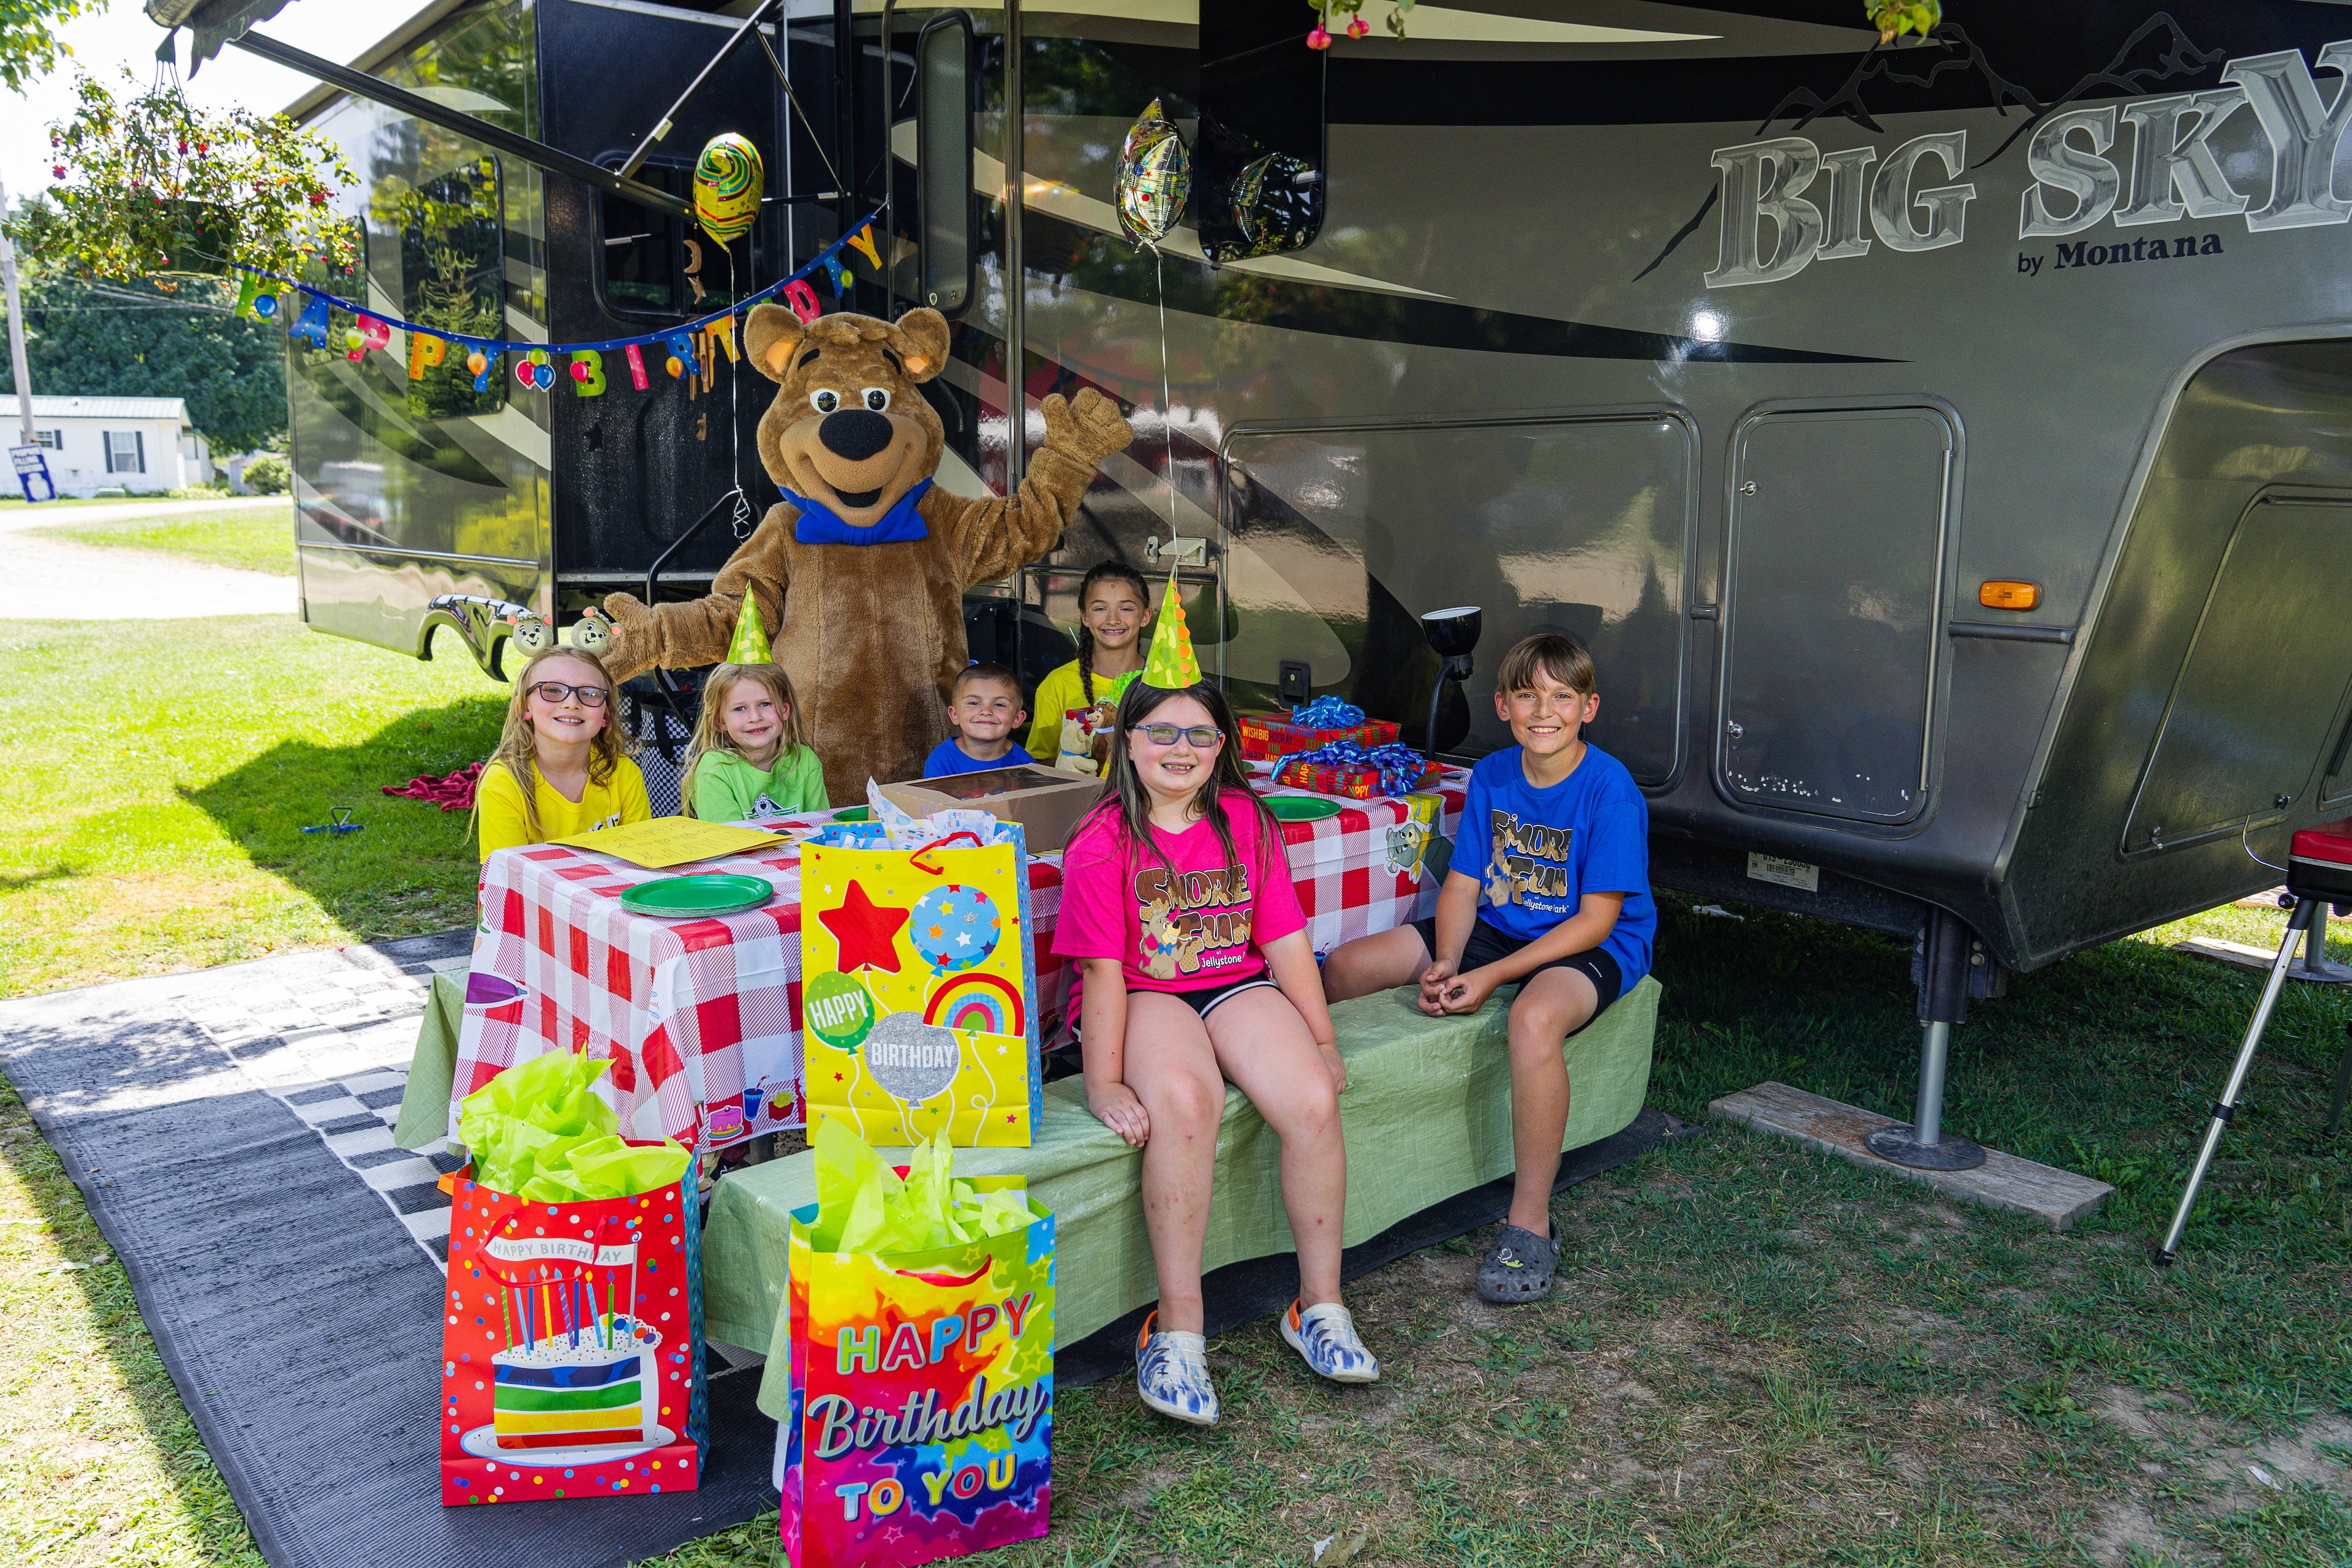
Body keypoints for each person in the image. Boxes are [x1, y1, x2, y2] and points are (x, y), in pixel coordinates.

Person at [1054, 674, 1379, 1427]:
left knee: (1309, 1097)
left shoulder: (1245, 817)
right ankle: (1176, 1328)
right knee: (1185, 1102)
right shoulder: (1102, 841)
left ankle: (1319, 1306)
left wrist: (1323, 1039)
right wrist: (1102, 1083)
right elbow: (1102, 972)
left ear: (1222, 746)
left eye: (1200, 734)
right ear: (1126, 741)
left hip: (1232, 980)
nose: (1181, 748)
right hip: (1142, 992)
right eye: (1162, 731)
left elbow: (1285, 940)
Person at [1321, 632, 1654, 1305]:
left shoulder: (1610, 789)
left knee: (1532, 1021)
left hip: (1593, 940)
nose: (1544, 711)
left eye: (1563, 696)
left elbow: (1595, 918)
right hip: (1498, 926)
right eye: (1528, 694)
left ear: (1588, 708)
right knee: (1350, 967)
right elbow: (1465, 886)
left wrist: (1496, 978)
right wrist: (1447, 961)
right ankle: (1340, 1148)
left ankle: (1530, 1221)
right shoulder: (1496, 774)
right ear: (1503, 705)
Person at [475, 646, 652, 859]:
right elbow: (507, 880)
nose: (571, 704)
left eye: (590, 694)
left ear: (606, 715)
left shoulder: (623, 773)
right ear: (524, 707)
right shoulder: (503, 783)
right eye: (552, 690)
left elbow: (642, 861)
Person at [1025, 562, 1152, 763]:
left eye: (1126, 608)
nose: (1113, 619)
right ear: (1085, 617)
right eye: (1100, 608)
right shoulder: (1058, 684)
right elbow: (1038, 762)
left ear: (1145, 616)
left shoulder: (1166, 680)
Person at [684, 662, 828, 819]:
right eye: (740, 708)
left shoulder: (805, 761)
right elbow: (729, 841)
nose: (755, 718)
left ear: (785, 710)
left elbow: (820, 828)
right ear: (722, 721)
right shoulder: (715, 770)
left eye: (765, 704)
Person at [922, 663, 1035, 776]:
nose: (986, 711)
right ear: (955, 715)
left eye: (1000, 705)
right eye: (974, 703)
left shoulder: (1026, 765)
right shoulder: (941, 761)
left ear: (1017, 719)